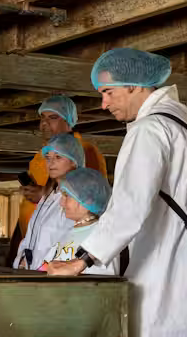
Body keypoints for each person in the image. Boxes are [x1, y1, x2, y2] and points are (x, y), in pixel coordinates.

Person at [47, 48, 187, 337]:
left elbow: (129, 206)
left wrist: (81, 261)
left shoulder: (150, 129)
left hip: (168, 260)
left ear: (134, 85)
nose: (103, 103)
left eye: (108, 92)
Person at [6, 95, 107, 267]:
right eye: (42, 118)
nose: (44, 124)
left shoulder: (85, 151)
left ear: (68, 120)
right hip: (35, 263)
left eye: (52, 117)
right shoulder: (42, 166)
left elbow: (91, 202)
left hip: (56, 266)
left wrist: (47, 266)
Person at [12, 133, 83, 271]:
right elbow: (31, 237)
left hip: (54, 274)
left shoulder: (77, 198)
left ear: (74, 161)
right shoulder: (49, 195)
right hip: (33, 273)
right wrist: (22, 260)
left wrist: (45, 267)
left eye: (58, 157)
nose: (50, 163)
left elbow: (72, 241)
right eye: (48, 157)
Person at [41, 168, 118, 276]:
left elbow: (101, 282)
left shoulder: (101, 236)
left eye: (67, 196)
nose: (61, 203)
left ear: (88, 200)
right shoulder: (68, 232)